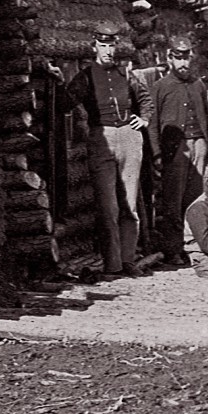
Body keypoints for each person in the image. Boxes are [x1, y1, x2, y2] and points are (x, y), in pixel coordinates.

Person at [70, 27, 150, 279]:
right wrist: (56, 78)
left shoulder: (126, 73)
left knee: (129, 202)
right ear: (94, 47)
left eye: (111, 46)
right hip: (100, 138)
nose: (107, 51)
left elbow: (145, 98)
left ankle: (128, 260)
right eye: (102, 46)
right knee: (108, 206)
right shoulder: (85, 77)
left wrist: (144, 119)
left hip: (129, 136)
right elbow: (66, 101)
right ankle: (112, 263)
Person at [146, 38, 208, 267]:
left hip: (199, 146)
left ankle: (195, 246)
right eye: (178, 58)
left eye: (186, 57)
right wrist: (156, 154)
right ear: (170, 59)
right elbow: (152, 123)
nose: (183, 62)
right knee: (173, 202)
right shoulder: (161, 87)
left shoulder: (198, 85)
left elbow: (207, 117)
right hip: (176, 150)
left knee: (195, 199)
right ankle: (173, 249)